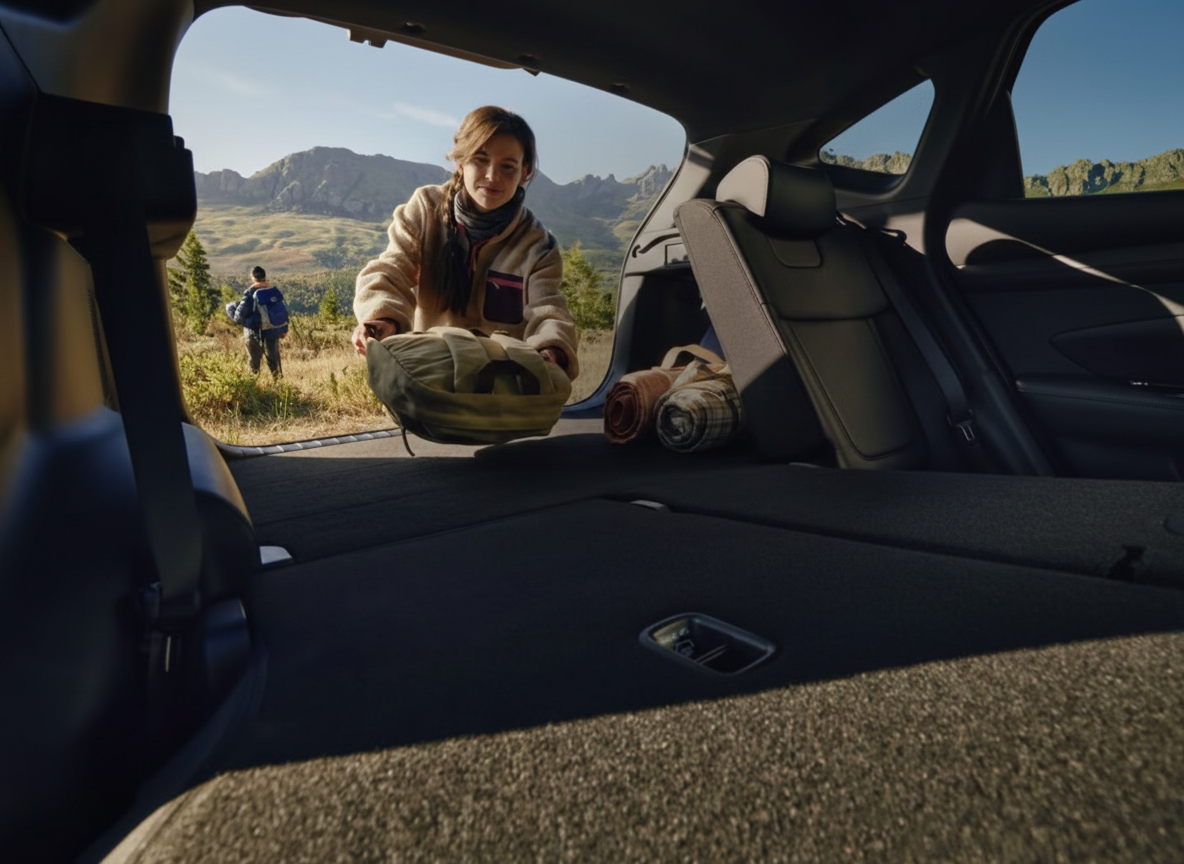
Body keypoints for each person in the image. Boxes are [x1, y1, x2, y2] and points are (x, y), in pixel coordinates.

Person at [351, 105, 579, 380]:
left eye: (508, 166)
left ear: (524, 173)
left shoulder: (538, 246)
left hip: (501, 385)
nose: (492, 176)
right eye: (480, 160)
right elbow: (390, 270)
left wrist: (552, 349)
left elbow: (549, 310)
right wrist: (382, 318)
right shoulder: (425, 209)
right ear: (460, 163)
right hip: (429, 375)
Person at [226, 265, 286, 378]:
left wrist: (232, 309)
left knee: (254, 360)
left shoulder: (250, 292)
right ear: (264, 276)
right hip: (271, 330)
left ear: (253, 277)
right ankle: (278, 382)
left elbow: (239, 316)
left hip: (254, 330)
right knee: (274, 357)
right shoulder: (272, 290)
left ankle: (255, 384)